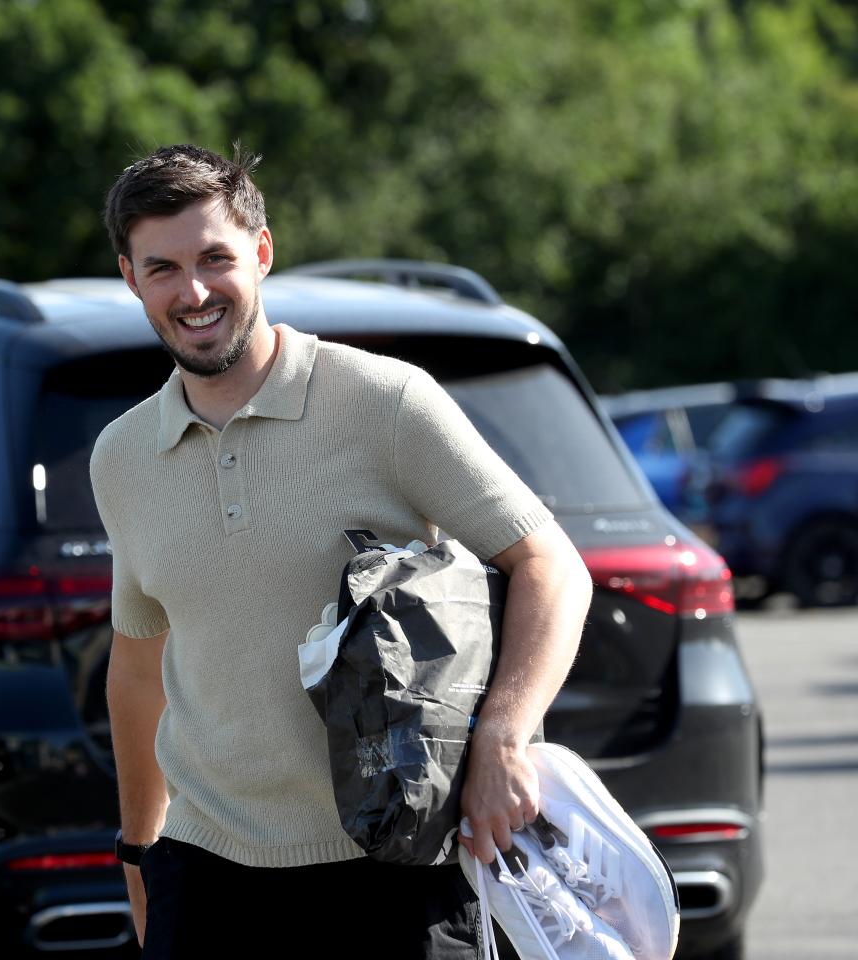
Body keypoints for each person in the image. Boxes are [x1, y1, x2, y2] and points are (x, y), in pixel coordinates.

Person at [90, 143, 592, 958]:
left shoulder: (385, 402)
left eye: (216, 258)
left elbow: (550, 565)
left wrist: (505, 735)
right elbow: (139, 668)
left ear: (261, 252)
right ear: (130, 277)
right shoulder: (121, 457)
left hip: (394, 868)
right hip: (208, 875)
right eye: (163, 268)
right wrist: (139, 854)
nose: (193, 291)